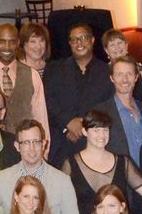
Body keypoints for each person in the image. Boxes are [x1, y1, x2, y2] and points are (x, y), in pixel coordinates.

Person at [65, 109, 142, 214]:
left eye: (105, 130)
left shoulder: (123, 162)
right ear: (85, 132)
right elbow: (62, 204)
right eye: (96, 130)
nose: (102, 136)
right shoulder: (70, 164)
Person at [44, 24, 114, 170]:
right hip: (61, 143)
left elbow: (109, 105)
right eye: (74, 40)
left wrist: (84, 126)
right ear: (70, 44)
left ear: (92, 40)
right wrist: (67, 123)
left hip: (94, 141)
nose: (79, 43)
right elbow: (48, 102)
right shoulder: (54, 69)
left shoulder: (107, 72)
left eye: (83, 38)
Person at [92, 56, 142, 163]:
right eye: (119, 74)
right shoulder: (100, 112)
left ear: (136, 77)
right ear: (112, 78)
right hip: (118, 177)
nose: (125, 80)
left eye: (129, 74)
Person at [101, 28, 142, 107]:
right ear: (106, 50)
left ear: (126, 45)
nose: (117, 47)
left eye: (119, 43)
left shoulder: (140, 68)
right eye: (112, 45)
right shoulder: (102, 72)